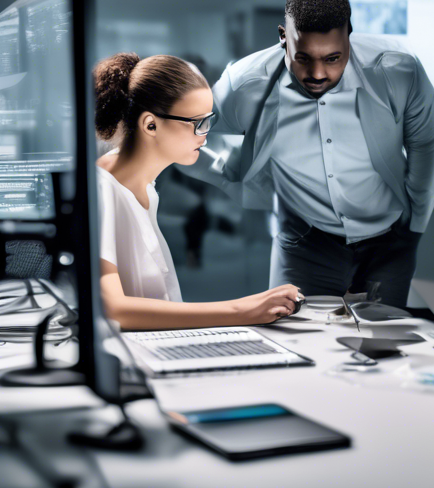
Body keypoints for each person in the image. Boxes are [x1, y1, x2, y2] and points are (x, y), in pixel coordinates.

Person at [182, 0, 434, 307]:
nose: (317, 73)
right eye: (303, 58)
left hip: (388, 242)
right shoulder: (247, 84)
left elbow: (426, 143)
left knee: (383, 347)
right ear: (282, 38)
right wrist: (229, 177)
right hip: (304, 244)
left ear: (349, 34)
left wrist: (414, 226)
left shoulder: (397, 69)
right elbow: (180, 131)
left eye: (333, 58)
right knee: (296, 347)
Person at [93, 53, 303, 330]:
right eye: (197, 123)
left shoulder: (144, 189)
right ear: (151, 125)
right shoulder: (102, 189)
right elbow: (112, 308)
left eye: (209, 120)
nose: (205, 134)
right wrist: (242, 310)